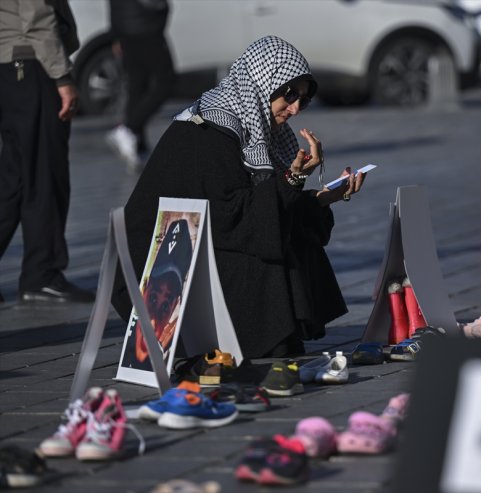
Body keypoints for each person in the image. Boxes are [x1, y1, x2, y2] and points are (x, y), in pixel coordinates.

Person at [111, 36, 365, 360]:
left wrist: (326, 197)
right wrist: (292, 179)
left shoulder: (254, 126)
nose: (296, 108)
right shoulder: (210, 129)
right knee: (267, 242)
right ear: (262, 83)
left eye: (304, 98)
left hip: (203, 237)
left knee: (287, 229)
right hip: (156, 267)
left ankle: (279, 335)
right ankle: (267, 339)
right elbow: (237, 219)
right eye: (289, 94)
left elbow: (254, 210)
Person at [0, 0, 95, 303]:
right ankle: (42, 274)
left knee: (15, 178)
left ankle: (40, 273)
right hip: (31, 62)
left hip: (11, 65)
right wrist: (62, 76)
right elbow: (36, 15)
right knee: (44, 173)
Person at [105, 0, 175, 173]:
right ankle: (128, 129)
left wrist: (115, 33)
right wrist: (162, 8)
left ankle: (138, 147)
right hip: (146, 25)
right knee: (166, 82)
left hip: (126, 28)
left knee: (137, 85)